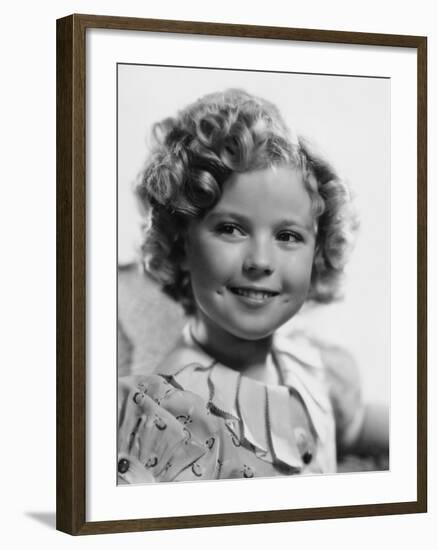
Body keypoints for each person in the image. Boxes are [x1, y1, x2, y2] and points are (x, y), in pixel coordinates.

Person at [117, 88, 388, 484]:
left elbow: (352, 426)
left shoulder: (312, 366)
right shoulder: (163, 416)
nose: (261, 261)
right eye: (230, 229)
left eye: (289, 236)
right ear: (180, 243)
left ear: (317, 252)